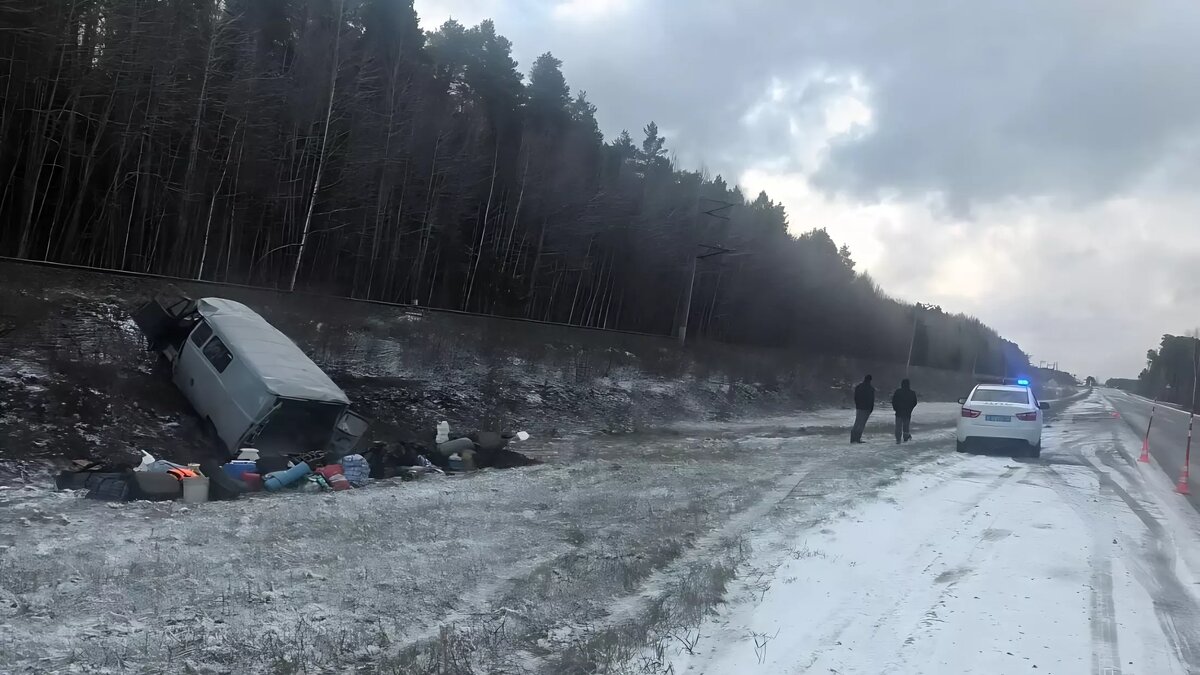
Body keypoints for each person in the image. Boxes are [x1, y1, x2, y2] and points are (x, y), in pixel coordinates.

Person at [892, 379, 919, 444]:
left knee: (898, 427)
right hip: (907, 412)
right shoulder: (912, 393)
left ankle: (898, 440)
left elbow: (894, 401)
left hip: (899, 412)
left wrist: (895, 408)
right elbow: (914, 402)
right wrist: (910, 409)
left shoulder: (898, 391)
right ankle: (905, 440)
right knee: (906, 427)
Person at [851, 375, 875, 443]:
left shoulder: (858, 387)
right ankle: (858, 439)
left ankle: (852, 439)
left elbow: (855, 397)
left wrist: (857, 405)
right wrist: (871, 409)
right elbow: (872, 400)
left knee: (857, 423)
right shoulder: (871, 389)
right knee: (862, 424)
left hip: (859, 407)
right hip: (866, 408)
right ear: (870, 380)